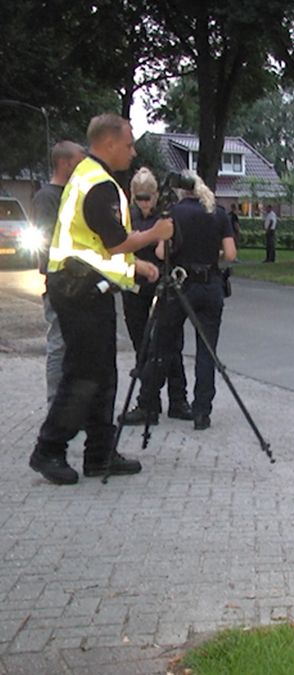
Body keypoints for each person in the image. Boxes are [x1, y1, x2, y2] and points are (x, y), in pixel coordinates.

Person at [29, 113, 174, 485]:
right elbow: (115, 243)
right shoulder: (98, 185)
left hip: (84, 288)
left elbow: (94, 247)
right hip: (79, 292)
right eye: (128, 144)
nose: (133, 151)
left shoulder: (91, 178)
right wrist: (155, 233)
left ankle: (99, 453)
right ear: (109, 143)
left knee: (102, 374)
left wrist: (136, 268)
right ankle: (49, 449)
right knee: (84, 374)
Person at [141, 171, 236, 431]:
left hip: (181, 285)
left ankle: (148, 402)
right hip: (211, 286)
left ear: (181, 191)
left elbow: (161, 252)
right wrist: (211, 254)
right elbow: (230, 254)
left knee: (164, 343)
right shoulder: (218, 213)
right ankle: (202, 411)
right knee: (207, 350)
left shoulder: (174, 214)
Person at [119, 168, 191, 426]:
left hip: (163, 285)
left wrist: (158, 237)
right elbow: (121, 248)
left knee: (170, 344)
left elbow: (168, 250)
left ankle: (177, 399)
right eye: (139, 198)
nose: (144, 203)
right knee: (142, 345)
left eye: (148, 198)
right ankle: (150, 402)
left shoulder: (165, 217)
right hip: (135, 286)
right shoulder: (127, 217)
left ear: (156, 195)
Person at [32, 141, 86, 405]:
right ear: (65, 163)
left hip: (79, 283)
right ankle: (55, 403)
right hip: (61, 283)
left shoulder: (74, 194)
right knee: (59, 344)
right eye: (79, 161)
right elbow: (49, 242)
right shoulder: (47, 197)